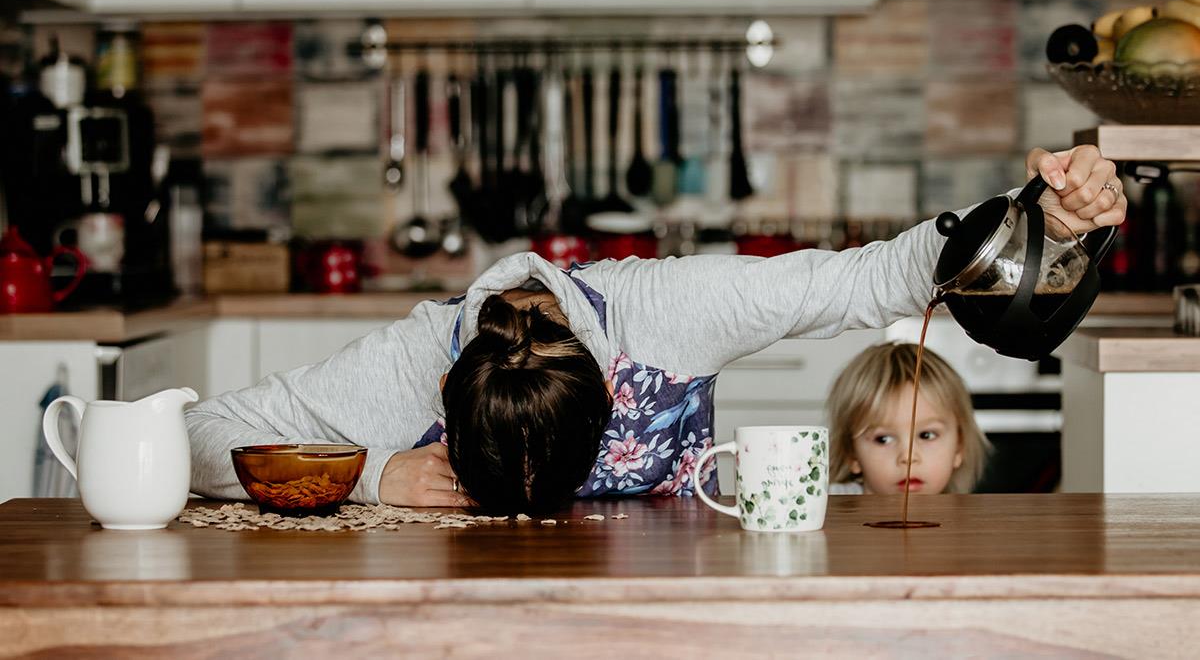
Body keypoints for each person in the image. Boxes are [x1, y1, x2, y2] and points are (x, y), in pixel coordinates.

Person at [185, 145, 1127, 514]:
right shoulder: (407, 360)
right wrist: (375, 472)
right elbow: (192, 436)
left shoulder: (671, 311)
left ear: (611, 382)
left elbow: (874, 275)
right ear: (442, 394)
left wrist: (1048, 211)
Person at [827, 343, 990, 495]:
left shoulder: (964, 515)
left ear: (958, 447)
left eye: (926, 435)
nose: (908, 457)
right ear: (851, 453)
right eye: (883, 439)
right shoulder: (829, 504)